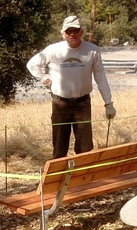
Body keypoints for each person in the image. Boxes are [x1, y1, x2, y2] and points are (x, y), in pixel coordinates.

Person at [27, 15, 116, 159]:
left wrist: (108, 103)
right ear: (63, 34)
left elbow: (101, 78)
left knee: (85, 148)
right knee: (59, 147)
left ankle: (82, 178)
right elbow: (31, 64)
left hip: (83, 104)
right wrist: (43, 77)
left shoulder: (93, 51)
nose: (72, 34)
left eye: (75, 30)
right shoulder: (53, 50)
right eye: (68, 32)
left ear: (81, 32)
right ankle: (60, 178)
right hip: (60, 103)